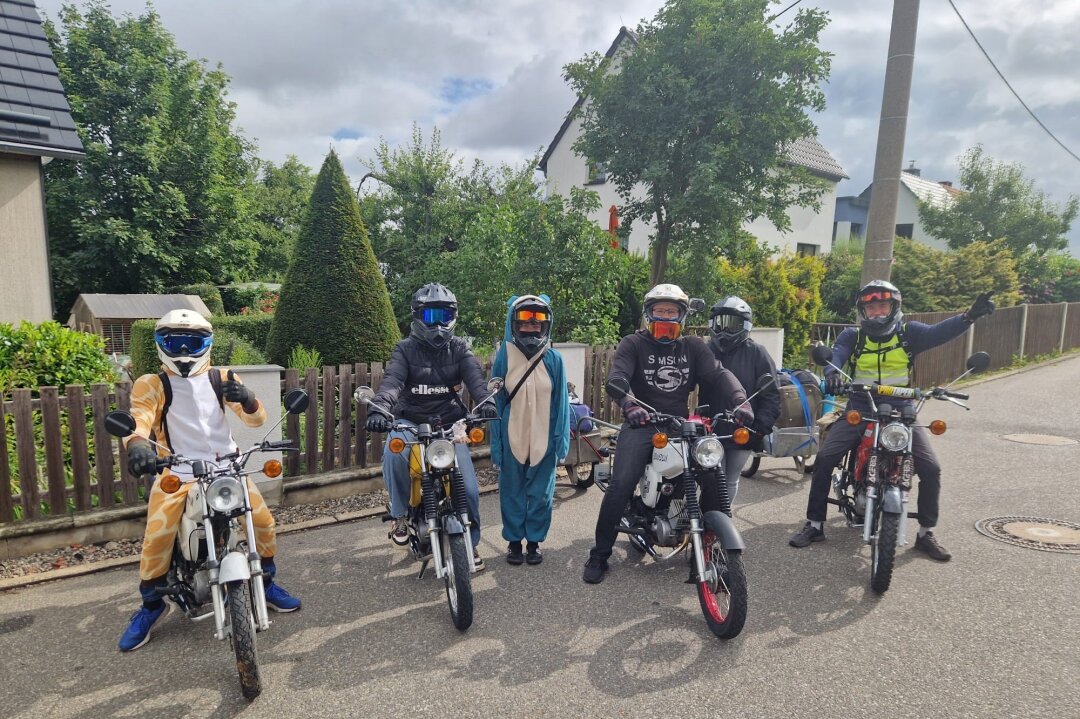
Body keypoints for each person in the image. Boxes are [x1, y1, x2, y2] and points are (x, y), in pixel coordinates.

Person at [119, 310, 300, 652]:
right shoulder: (152, 383)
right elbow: (139, 418)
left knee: (262, 522)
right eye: (175, 342)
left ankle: (267, 582)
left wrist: (248, 399)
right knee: (156, 537)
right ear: (162, 345)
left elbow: (255, 420)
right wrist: (138, 445)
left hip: (227, 468)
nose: (184, 349)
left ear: (207, 343)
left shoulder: (222, 377)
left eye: (192, 341)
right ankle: (151, 606)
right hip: (180, 472)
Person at [789, 281, 996, 560]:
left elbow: (940, 333)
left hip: (901, 409)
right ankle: (815, 524)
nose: (876, 312)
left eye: (882, 305)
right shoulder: (854, 336)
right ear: (864, 310)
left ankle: (925, 533)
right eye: (870, 307)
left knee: (931, 468)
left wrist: (969, 316)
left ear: (894, 307)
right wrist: (832, 373)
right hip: (862, 406)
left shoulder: (911, 332)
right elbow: (835, 356)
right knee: (825, 458)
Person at [582, 284, 753, 584]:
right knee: (621, 484)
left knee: (713, 478)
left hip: (679, 425)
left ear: (682, 316)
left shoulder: (693, 347)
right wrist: (629, 404)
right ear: (649, 314)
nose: (666, 316)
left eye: (672, 311)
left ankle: (708, 551)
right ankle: (599, 555)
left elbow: (719, 374)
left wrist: (740, 401)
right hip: (642, 423)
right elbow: (618, 377)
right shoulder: (633, 343)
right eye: (660, 310)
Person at [365, 283, 498, 570]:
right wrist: (379, 408)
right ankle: (400, 515)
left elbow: (476, 381)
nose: (437, 323)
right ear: (417, 317)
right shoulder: (404, 349)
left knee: (471, 491)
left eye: (443, 315)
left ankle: (470, 545)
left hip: (449, 425)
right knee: (393, 451)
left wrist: (486, 401)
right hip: (410, 421)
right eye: (429, 316)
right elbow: (392, 383)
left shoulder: (461, 348)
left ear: (453, 316)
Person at [489, 295, 571, 566]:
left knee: (542, 493)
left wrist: (561, 441)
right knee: (511, 491)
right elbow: (496, 402)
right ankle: (514, 542)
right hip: (512, 436)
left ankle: (534, 542)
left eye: (538, 321)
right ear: (514, 321)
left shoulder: (554, 359)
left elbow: (561, 403)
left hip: (544, 438)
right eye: (525, 320)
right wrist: (497, 445)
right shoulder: (503, 357)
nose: (532, 326)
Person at [702, 296, 781, 502]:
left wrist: (760, 427)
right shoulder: (706, 351)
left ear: (745, 325)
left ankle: (722, 524)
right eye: (720, 323)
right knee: (708, 478)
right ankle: (706, 524)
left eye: (732, 324)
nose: (724, 331)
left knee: (729, 479)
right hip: (709, 427)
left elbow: (772, 394)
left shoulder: (758, 353)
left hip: (743, 429)